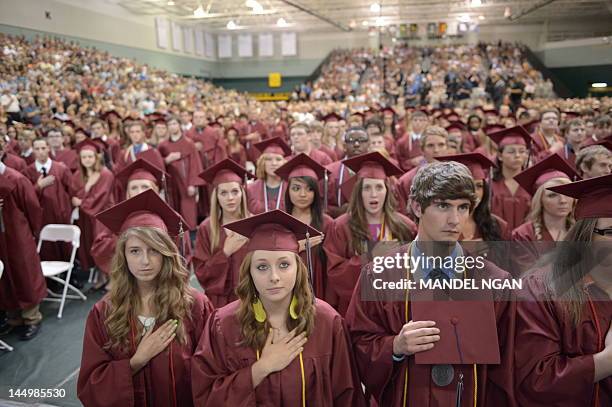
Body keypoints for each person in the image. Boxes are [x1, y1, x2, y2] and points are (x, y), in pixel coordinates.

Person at [345, 161, 517, 407]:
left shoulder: (495, 283)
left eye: (463, 207)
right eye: (443, 206)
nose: (454, 219)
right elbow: (356, 345)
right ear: (417, 206)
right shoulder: (380, 276)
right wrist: (394, 346)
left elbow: (507, 372)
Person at [191, 210, 366, 406]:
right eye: (262, 267)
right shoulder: (223, 325)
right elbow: (205, 397)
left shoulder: (327, 322)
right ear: (249, 272)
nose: (274, 276)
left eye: (284, 264)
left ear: (298, 268)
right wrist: (260, 369)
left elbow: (348, 397)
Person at [77, 190, 214, 407]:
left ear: (166, 253)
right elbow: (89, 386)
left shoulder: (194, 305)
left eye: (153, 251)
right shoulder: (104, 312)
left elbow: (212, 373)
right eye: (134, 251)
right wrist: (135, 362)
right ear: (123, 255)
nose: (144, 261)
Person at [515, 174, 612, 406]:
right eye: (610, 231)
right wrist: (607, 360)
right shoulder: (541, 290)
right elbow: (537, 380)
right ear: (585, 236)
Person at [324, 151, 417, 316]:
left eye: (379, 187)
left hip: (397, 308)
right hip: (359, 309)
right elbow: (335, 273)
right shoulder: (341, 227)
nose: (373, 194)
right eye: (367, 187)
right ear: (358, 191)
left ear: (387, 190)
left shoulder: (405, 226)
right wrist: (371, 256)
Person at [90, 158, 174, 287]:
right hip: (127, 283)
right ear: (127, 193)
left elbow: (182, 256)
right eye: (134, 187)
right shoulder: (114, 216)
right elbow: (99, 249)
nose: (139, 192)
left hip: (165, 283)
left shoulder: (171, 217)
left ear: (156, 190)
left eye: (145, 186)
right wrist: (125, 240)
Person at [193, 159, 253, 308]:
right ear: (217, 197)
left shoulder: (254, 224)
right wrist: (225, 252)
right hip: (219, 302)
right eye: (224, 193)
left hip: (252, 298)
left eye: (235, 191)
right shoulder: (206, 228)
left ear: (242, 193)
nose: (230, 198)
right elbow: (201, 273)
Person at [276, 153, 334, 300]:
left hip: (319, 293)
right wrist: (295, 248)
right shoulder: (278, 222)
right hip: (285, 292)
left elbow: (333, 267)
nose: (303, 194)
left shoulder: (327, 224)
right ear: (287, 191)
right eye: (296, 188)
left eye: (309, 189)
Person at [0, 161, 46, 340]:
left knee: (24, 274)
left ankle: (32, 318)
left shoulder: (17, 179)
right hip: (1, 239)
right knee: (6, 278)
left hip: (18, 236)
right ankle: (14, 317)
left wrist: (31, 233)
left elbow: (32, 208)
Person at [511, 153, 579, 273]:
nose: (563, 201)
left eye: (568, 193)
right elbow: (527, 277)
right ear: (540, 200)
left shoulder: (581, 231)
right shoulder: (523, 235)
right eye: (553, 195)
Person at [71, 139, 115, 274]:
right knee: (89, 246)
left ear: (96, 157)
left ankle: (109, 277)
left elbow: (100, 197)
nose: (87, 159)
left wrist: (82, 200)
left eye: (90, 156)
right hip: (86, 218)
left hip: (102, 216)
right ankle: (98, 276)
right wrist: (85, 190)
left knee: (102, 247)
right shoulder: (78, 175)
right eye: (84, 157)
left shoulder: (105, 174)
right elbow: (74, 194)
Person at [24, 137, 73, 261]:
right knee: (46, 250)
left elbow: (71, 191)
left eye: (43, 148)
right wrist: (38, 186)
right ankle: (50, 280)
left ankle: (69, 275)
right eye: (37, 149)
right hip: (41, 218)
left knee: (65, 247)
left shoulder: (61, 169)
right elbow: (25, 197)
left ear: (48, 149)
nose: (40, 151)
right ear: (33, 151)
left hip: (61, 215)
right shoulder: (27, 172)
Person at [158, 116, 203, 230]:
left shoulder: (188, 143)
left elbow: (195, 163)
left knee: (188, 209)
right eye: (170, 125)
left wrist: (193, 183)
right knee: (173, 208)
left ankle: (191, 236)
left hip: (186, 180)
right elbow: (158, 162)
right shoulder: (163, 145)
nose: (172, 127)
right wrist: (167, 160)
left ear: (179, 125)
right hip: (171, 181)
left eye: (174, 124)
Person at [396, 126, 449, 216]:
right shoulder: (406, 181)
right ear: (422, 150)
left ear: (447, 147)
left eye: (441, 145)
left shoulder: (457, 177)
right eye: (430, 145)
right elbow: (402, 217)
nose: (436, 150)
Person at [489, 126, 533, 231]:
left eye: (522, 151)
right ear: (500, 156)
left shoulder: (532, 185)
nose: (517, 155)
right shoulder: (490, 185)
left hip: (525, 242)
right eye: (511, 152)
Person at [325, 127, 371, 218]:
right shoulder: (330, 172)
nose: (357, 144)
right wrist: (337, 211)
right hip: (338, 224)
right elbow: (321, 205)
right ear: (344, 146)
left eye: (361, 140)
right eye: (351, 140)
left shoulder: (378, 169)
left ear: (368, 144)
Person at [246, 137, 291, 214]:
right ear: (262, 162)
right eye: (269, 159)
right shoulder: (250, 189)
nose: (274, 163)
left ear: (284, 163)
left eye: (278, 159)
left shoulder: (291, 188)